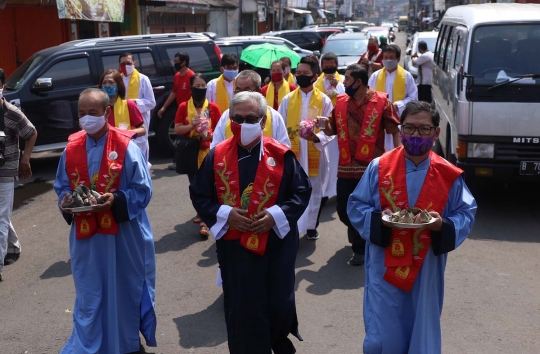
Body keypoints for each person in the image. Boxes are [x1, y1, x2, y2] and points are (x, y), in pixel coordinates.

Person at [347, 101, 477, 353]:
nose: (416, 135)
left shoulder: (447, 174)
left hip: (425, 267)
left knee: (422, 329)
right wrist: (379, 220)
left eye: (424, 129)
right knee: (382, 336)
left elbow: (466, 213)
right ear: (400, 129)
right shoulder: (379, 167)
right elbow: (357, 206)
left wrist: (443, 224)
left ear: (437, 133)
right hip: (385, 264)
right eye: (409, 128)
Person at [190, 91, 312, 354]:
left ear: (263, 119)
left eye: (251, 118)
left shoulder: (281, 155)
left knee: (278, 302)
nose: (244, 123)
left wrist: (275, 216)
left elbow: (302, 191)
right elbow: (200, 194)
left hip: (276, 246)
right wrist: (225, 214)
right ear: (229, 119)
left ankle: (279, 343)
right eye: (238, 118)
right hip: (237, 248)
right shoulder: (217, 155)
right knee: (243, 307)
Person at [53, 88, 157, 353]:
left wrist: (116, 200)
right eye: (82, 113)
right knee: (90, 294)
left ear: (107, 113)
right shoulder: (72, 147)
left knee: (123, 290)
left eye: (93, 113)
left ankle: (125, 344)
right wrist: (68, 202)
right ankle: (91, 346)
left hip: (123, 236)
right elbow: (62, 187)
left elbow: (142, 190)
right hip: (87, 239)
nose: (87, 118)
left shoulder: (126, 146)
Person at [320, 64, 401, 266]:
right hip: (345, 167)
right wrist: (323, 125)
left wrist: (400, 155)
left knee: (370, 208)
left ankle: (360, 248)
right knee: (343, 210)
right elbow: (331, 131)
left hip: (372, 168)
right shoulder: (340, 102)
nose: (343, 82)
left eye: (346, 79)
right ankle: (360, 232)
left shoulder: (381, 101)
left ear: (358, 81)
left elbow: (394, 129)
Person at [278, 56, 334, 240]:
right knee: (293, 190)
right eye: (298, 73)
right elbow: (280, 125)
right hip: (293, 153)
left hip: (314, 151)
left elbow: (331, 128)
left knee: (314, 189)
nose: (300, 76)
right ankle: (293, 223)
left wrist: (317, 136)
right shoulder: (287, 100)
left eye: (305, 73)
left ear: (315, 76)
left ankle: (311, 226)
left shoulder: (324, 100)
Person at [0, 68, 37, 281]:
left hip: (5, 173)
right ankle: (12, 246)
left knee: (1, 218)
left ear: (3, 88)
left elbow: (31, 133)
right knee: (1, 216)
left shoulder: (12, 113)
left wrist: (25, 159)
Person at [174, 73, 221, 236]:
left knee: (208, 184)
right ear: (191, 87)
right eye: (197, 86)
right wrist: (191, 126)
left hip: (208, 151)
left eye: (203, 86)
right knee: (194, 184)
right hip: (191, 152)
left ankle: (206, 219)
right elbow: (177, 129)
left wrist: (209, 134)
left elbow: (220, 131)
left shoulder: (213, 107)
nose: (201, 89)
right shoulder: (183, 107)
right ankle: (200, 211)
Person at [212, 70, 290, 149]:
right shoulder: (226, 116)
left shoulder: (274, 117)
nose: (242, 96)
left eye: (247, 91)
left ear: (258, 91)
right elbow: (216, 147)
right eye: (238, 91)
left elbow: (283, 149)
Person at [368, 45, 417, 151]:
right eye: (385, 57)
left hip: (399, 120)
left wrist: (398, 105)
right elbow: (368, 97)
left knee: (399, 151)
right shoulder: (375, 76)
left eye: (391, 57)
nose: (388, 60)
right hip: (379, 121)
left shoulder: (406, 76)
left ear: (398, 59)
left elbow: (413, 98)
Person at [155, 52, 195, 171]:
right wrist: (164, 107)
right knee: (180, 137)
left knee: (185, 138)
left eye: (177, 61)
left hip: (190, 112)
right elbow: (174, 92)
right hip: (180, 111)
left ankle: (181, 162)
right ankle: (179, 161)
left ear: (184, 62)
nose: (175, 63)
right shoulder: (177, 75)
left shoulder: (191, 76)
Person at [314, 52, 344, 201]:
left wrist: (337, 85)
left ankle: (337, 190)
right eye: (326, 67)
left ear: (336, 66)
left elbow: (346, 98)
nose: (329, 70)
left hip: (339, 125)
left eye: (331, 67)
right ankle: (324, 191)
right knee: (325, 160)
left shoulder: (343, 80)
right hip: (323, 126)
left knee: (336, 159)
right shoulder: (316, 83)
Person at [119, 52, 156, 166]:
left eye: (128, 63)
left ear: (134, 63)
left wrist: (133, 103)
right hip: (122, 123)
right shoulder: (117, 80)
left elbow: (151, 102)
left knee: (140, 156)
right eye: (123, 63)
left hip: (139, 123)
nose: (126, 66)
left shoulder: (143, 79)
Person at [98, 69, 147, 138]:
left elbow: (143, 129)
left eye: (111, 82)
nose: (107, 85)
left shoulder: (128, 105)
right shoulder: (97, 106)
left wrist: (123, 134)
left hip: (123, 145)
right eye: (104, 83)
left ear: (118, 86)